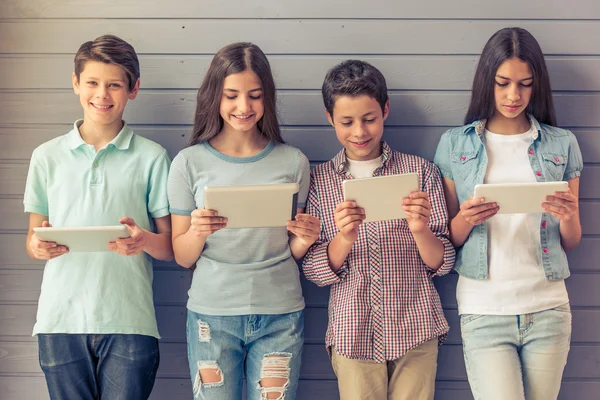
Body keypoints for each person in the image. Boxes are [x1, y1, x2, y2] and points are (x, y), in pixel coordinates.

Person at [433, 27, 583, 400]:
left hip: (548, 307)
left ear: (537, 86)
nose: (513, 95)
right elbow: (449, 239)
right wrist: (466, 218)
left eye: (524, 84)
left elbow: (573, 239)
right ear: (488, 81)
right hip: (485, 310)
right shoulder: (456, 144)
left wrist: (567, 215)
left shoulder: (562, 144)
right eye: (503, 83)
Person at [167, 42, 320, 400]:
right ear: (214, 97)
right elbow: (182, 256)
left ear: (267, 97)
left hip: (281, 313)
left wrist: (306, 238)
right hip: (211, 316)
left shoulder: (293, 162)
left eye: (254, 95)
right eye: (231, 95)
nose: (243, 107)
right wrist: (198, 231)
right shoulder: (187, 164)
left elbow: (291, 251)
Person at [24, 34, 173, 399]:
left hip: (130, 321)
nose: (102, 94)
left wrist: (143, 240)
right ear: (76, 84)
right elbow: (33, 238)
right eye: (92, 82)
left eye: (114, 85)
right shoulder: (46, 157)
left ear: (133, 89)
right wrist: (37, 247)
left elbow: (170, 247)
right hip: (60, 320)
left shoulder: (153, 157)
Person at [302, 59, 455, 400]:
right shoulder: (319, 181)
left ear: (385, 110)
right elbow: (312, 268)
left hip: (416, 326)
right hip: (351, 332)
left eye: (369, 119)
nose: (359, 132)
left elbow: (443, 262)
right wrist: (344, 238)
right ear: (330, 119)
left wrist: (419, 229)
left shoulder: (421, 173)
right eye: (347, 122)